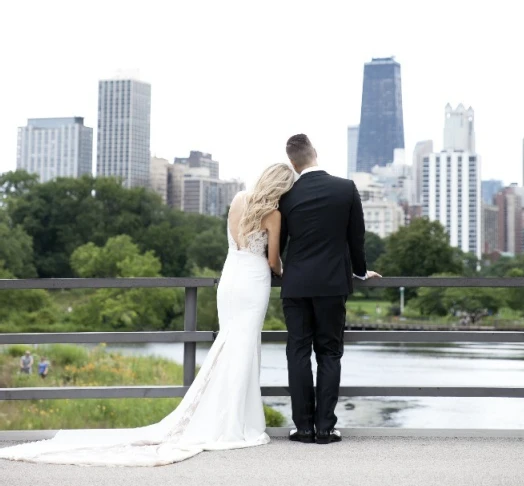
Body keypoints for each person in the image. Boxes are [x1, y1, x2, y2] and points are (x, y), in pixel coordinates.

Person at [0, 163, 295, 467]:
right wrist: (284, 271)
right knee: (244, 349)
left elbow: (233, 242)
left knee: (227, 346)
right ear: (280, 188)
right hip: (253, 281)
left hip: (230, 276)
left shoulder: (238, 200)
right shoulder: (273, 215)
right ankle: (235, 422)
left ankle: (223, 416)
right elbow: (272, 260)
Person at [279, 133, 382, 444]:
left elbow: (279, 243)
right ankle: (325, 429)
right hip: (333, 284)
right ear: (315, 154)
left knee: (297, 353)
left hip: (295, 285)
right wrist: (361, 272)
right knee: (329, 353)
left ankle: (302, 428)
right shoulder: (345, 188)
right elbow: (357, 238)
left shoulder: (286, 195)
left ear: (292, 163)